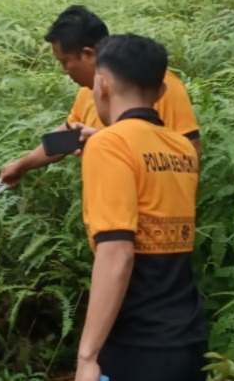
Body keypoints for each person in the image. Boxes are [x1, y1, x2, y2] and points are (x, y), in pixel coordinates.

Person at [73, 33, 208, 381]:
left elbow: (117, 252)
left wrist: (87, 355)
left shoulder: (109, 146)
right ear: (161, 91)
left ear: (102, 85)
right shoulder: (182, 148)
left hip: (135, 344)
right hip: (188, 338)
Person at [0, 5, 201, 187]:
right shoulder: (87, 92)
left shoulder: (151, 84)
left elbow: (189, 155)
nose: (65, 71)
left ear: (88, 54)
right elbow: (66, 137)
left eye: (65, 62)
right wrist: (21, 166)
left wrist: (107, 145)